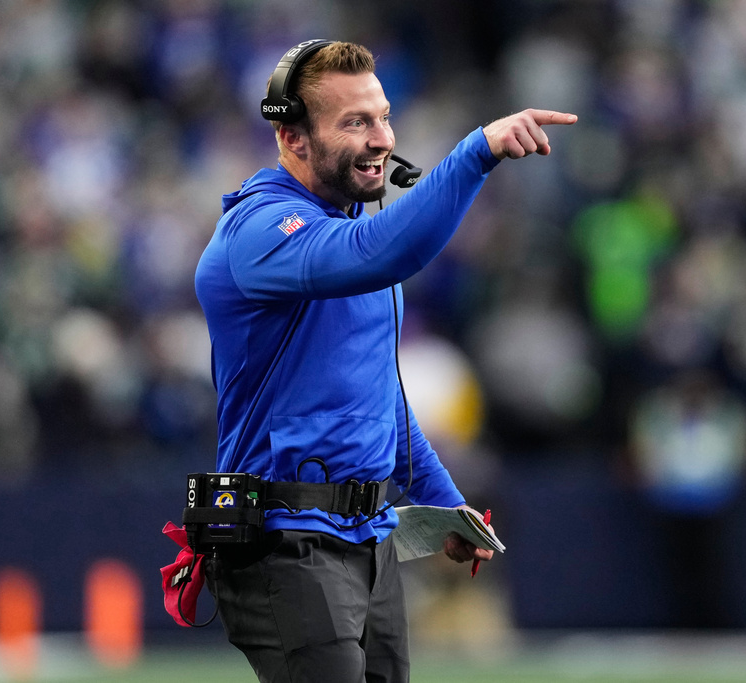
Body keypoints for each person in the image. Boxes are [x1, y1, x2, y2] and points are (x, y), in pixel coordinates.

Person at [193, 39, 577, 683]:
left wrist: (442, 501)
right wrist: (474, 154)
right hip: (284, 538)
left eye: (382, 118)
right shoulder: (258, 231)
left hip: (365, 540)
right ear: (292, 137)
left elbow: (377, 402)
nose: (380, 139)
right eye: (354, 122)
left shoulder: (345, 226)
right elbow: (378, 252)